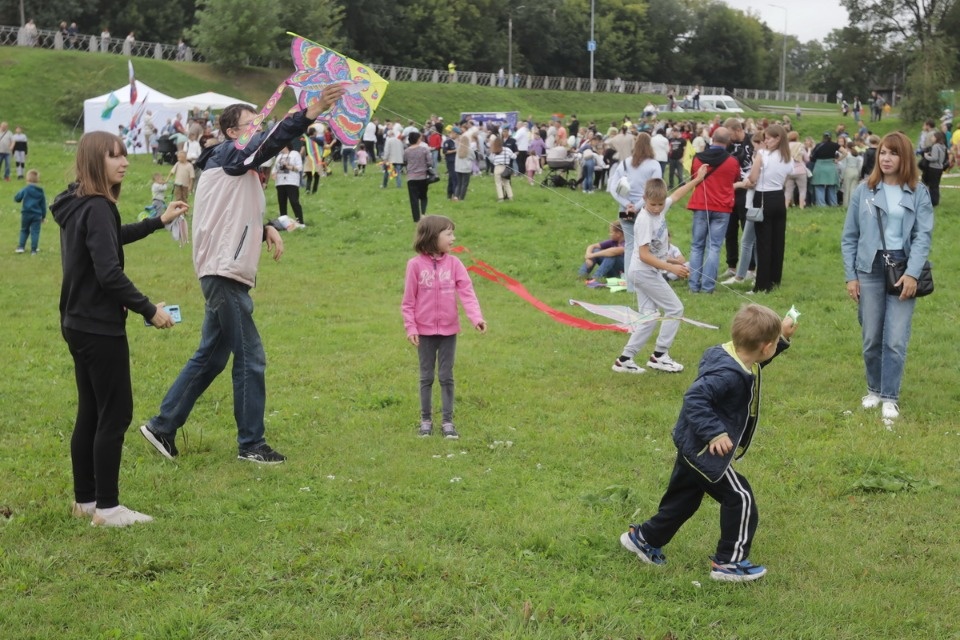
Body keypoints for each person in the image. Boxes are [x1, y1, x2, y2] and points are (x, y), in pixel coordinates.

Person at [139, 85, 346, 465]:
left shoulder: (233, 164)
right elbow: (268, 143)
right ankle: (252, 444)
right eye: (252, 125)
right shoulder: (230, 153)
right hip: (223, 271)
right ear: (234, 133)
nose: (259, 129)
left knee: (212, 357)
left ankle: (162, 426)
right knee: (251, 357)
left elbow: (235, 208)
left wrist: (267, 225)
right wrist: (310, 111)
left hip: (223, 270)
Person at [51, 131, 189, 527]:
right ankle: (108, 509)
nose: (124, 162)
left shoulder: (77, 202)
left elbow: (111, 241)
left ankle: (86, 501)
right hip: (98, 327)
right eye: (114, 157)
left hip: (77, 323)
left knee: (92, 412)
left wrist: (157, 221)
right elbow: (109, 272)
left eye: (124, 155)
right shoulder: (95, 206)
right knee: (115, 413)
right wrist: (148, 309)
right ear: (96, 162)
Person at [620, 303, 796, 581]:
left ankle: (644, 537)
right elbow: (695, 398)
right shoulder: (727, 374)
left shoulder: (728, 354)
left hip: (691, 445)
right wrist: (715, 432)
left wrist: (782, 338)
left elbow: (757, 359)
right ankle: (729, 562)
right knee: (740, 496)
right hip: (706, 450)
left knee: (684, 500)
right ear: (765, 347)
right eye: (774, 344)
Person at [841, 131, 934, 421]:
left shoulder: (919, 192)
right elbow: (849, 237)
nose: (886, 158)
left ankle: (890, 397)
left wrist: (912, 274)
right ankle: (874, 389)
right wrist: (851, 276)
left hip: (903, 268)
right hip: (868, 269)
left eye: (893, 153)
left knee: (894, 338)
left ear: (904, 157)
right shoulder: (863, 190)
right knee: (871, 337)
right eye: (882, 152)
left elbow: (922, 237)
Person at [612, 167, 708, 375]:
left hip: (645, 271)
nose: (657, 208)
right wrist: (672, 266)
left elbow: (677, 194)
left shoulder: (662, 206)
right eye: (652, 204)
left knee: (649, 317)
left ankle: (624, 359)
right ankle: (660, 355)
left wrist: (698, 179)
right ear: (645, 199)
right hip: (643, 272)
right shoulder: (645, 220)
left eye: (660, 204)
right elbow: (645, 255)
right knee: (675, 309)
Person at [401, 215, 486, 440]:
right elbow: (408, 301)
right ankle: (425, 420)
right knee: (426, 377)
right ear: (432, 236)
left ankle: (448, 422)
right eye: (448, 233)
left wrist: (476, 318)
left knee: (446, 376)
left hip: (449, 331)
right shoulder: (415, 265)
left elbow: (467, 293)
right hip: (424, 332)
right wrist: (411, 328)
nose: (453, 238)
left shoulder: (455, 264)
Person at [738, 124, 793, 294]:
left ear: (777, 139)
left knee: (763, 243)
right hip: (778, 197)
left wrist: (749, 179)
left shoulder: (762, 154)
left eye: (768, 138)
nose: (765, 141)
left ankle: (761, 285)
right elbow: (785, 177)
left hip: (763, 197)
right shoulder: (787, 157)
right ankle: (775, 280)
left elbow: (753, 178)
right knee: (777, 242)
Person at [607, 132, 663, 292]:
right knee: (648, 246)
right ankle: (646, 283)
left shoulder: (625, 163)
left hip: (626, 209)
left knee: (630, 246)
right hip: (645, 209)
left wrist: (626, 204)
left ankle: (631, 286)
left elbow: (613, 187)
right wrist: (637, 205)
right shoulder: (654, 165)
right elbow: (655, 191)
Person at [686, 127, 740, 294]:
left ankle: (693, 286)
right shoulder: (732, 161)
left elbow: (694, 177)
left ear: (712, 137)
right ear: (728, 141)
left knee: (697, 246)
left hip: (702, 205)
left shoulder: (698, 158)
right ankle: (708, 286)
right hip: (722, 207)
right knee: (714, 247)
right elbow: (735, 178)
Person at [14, 169, 46, 254]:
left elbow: (17, 198)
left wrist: (17, 197)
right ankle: (33, 250)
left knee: (24, 230)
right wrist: (43, 216)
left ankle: (21, 247)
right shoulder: (41, 191)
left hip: (26, 213)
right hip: (37, 215)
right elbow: (43, 205)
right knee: (35, 231)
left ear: (27, 179)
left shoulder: (26, 189)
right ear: (37, 180)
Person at [403, 131, 431, 222]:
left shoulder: (406, 151)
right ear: (418, 139)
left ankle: (416, 219)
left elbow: (405, 161)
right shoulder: (424, 149)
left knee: (413, 199)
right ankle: (423, 213)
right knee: (423, 196)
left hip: (411, 177)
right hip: (422, 176)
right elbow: (430, 162)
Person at [273, 144, 304, 225]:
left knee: (294, 202)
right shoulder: (279, 156)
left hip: (291, 182)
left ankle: (300, 222)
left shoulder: (295, 154)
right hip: (280, 183)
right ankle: (284, 223)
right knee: (282, 203)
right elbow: (274, 169)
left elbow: (299, 168)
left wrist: (288, 166)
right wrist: (274, 174)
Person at [811, 132, 840, 206]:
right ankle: (833, 203)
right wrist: (837, 160)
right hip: (831, 166)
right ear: (831, 137)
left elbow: (812, 157)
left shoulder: (818, 145)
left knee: (819, 186)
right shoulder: (835, 145)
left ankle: (821, 204)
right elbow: (845, 152)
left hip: (819, 167)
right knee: (832, 186)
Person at [783, 130, 809, 209]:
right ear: (797, 137)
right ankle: (801, 206)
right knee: (802, 189)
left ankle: (786, 206)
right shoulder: (800, 146)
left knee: (788, 190)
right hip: (800, 170)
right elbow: (807, 159)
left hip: (789, 170)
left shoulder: (785, 146)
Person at [920, 130, 947, 206]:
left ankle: (933, 201)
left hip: (933, 168)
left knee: (932, 186)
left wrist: (926, 156)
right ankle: (936, 200)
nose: (932, 138)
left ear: (936, 138)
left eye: (933, 136)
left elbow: (934, 158)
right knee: (936, 185)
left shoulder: (935, 146)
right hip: (940, 167)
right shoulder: (943, 146)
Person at [488, 137, 517, 202]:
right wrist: (515, 154)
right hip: (505, 168)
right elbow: (513, 157)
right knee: (506, 183)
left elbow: (492, 160)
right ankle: (510, 197)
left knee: (498, 183)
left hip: (497, 168)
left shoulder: (494, 151)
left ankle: (501, 198)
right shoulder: (507, 149)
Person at [454, 133, 476, 201]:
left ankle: (456, 196)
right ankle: (461, 198)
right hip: (466, 169)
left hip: (458, 168)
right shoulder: (469, 150)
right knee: (464, 184)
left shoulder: (458, 149)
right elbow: (473, 158)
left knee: (459, 183)